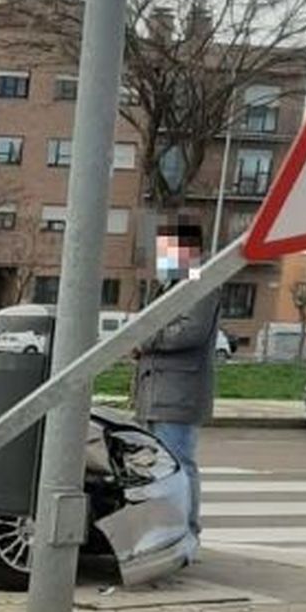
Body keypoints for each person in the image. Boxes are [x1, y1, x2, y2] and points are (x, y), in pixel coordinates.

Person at [134, 220, 218, 538]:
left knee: (179, 464)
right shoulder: (171, 285)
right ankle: (166, 528)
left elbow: (189, 332)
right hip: (156, 391)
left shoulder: (200, 284)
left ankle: (186, 531)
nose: (162, 259)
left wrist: (145, 339)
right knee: (160, 467)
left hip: (178, 392)